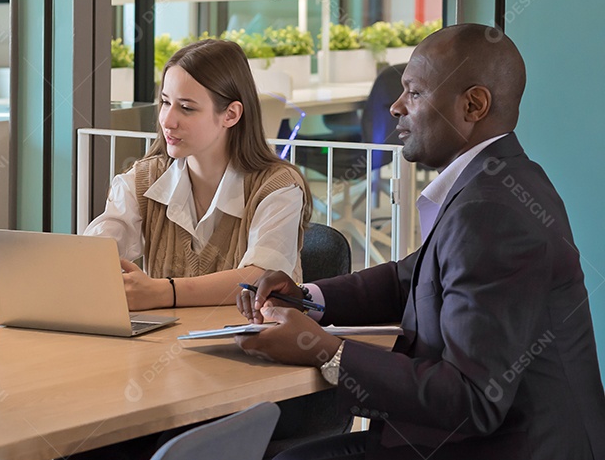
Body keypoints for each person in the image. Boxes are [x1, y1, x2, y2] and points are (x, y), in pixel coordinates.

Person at [237, 24, 605, 460]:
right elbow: (408, 278)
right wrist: (305, 298)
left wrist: (323, 348)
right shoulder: (501, 179)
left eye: (413, 93)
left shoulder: (493, 211)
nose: (395, 107)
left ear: (473, 105)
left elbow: (473, 399)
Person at [85, 38, 311, 311]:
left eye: (186, 107)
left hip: (247, 346)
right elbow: (94, 253)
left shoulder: (277, 186)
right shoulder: (142, 180)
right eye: (165, 103)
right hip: (163, 346)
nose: (167, 120)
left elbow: (261, 278)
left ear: (230, 114)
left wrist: (163, 292)